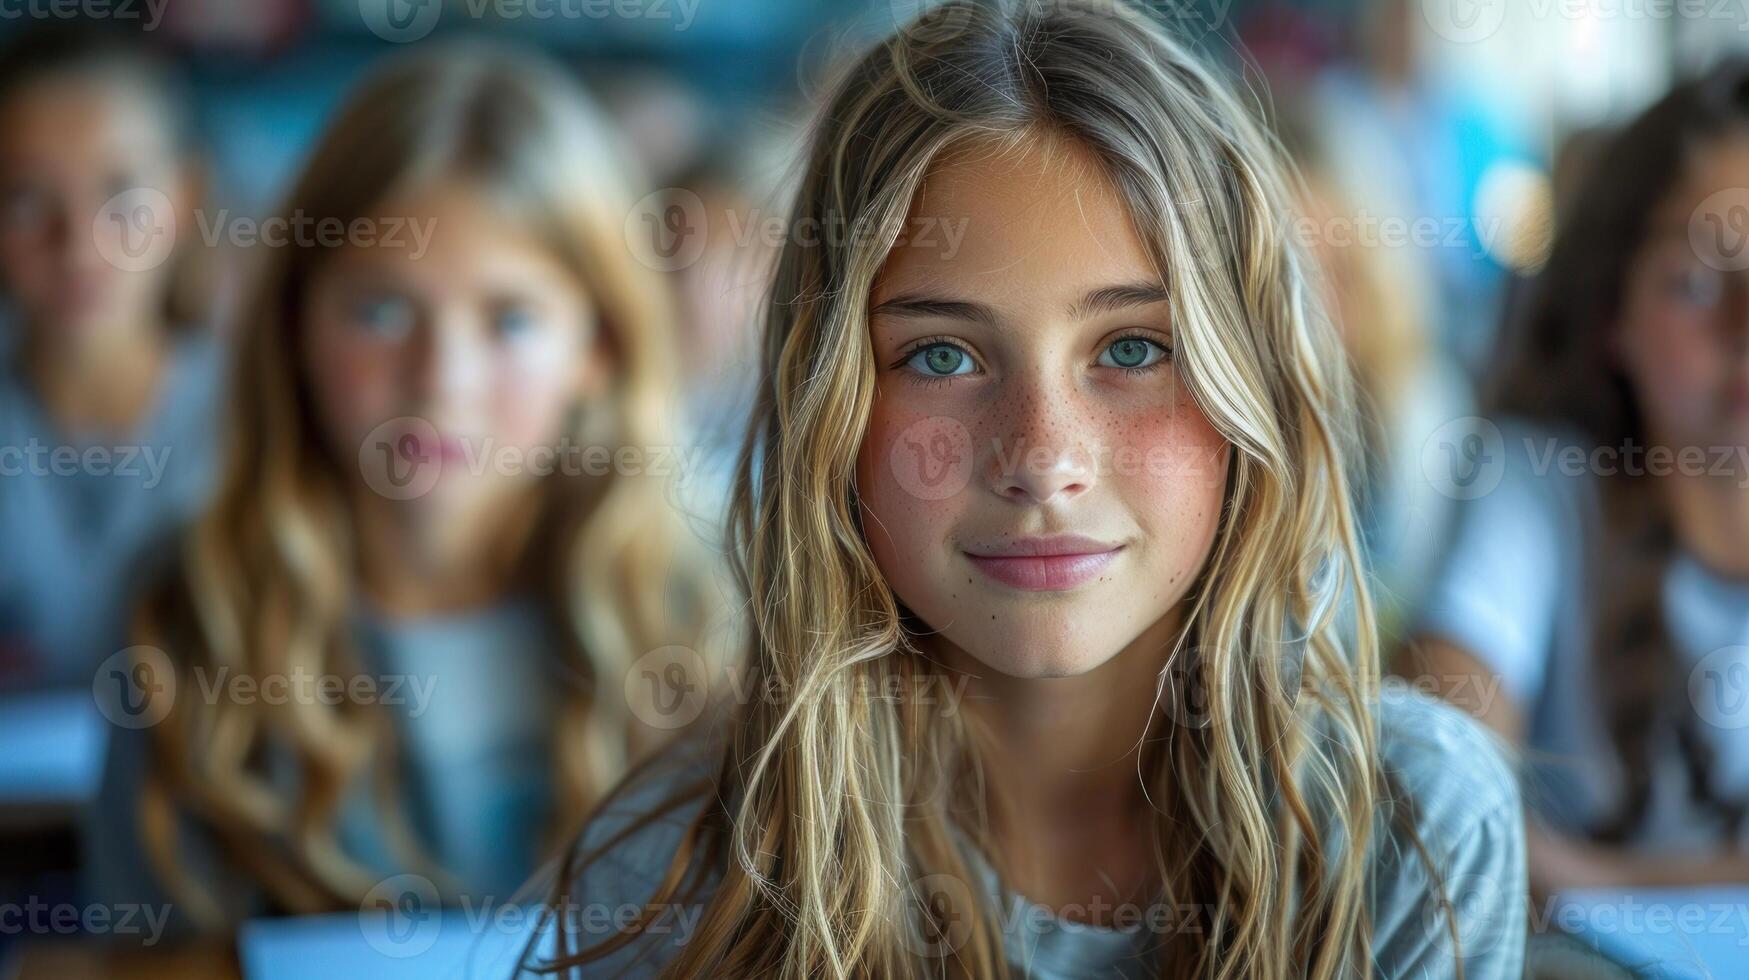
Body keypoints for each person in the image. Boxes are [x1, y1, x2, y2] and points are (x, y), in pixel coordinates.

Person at [525, 3, 1526, 977]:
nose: (1043, 457)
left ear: (1250, 389)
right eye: (944, 356)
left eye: (1134, 347)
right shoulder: (676, 874)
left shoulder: (1412, 829)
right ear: (829, 409)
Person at [85, 43, 729, 934]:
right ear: (295, 328)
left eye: (509, 319)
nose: (439, 379)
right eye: (381, 310)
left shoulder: (709, 620)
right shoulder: (190, 613)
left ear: (600, 348)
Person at [1413, 59, 1749, 894]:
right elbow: (1437, 802)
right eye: (1695, 281)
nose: (1746, 325)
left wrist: (1589, 877)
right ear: (1611, 318)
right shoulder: (1536, 483)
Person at [0, 26, 219, 690]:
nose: (77, 244)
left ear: (182, 199)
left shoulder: (259, 411)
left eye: (121, 193)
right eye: (28, 198)